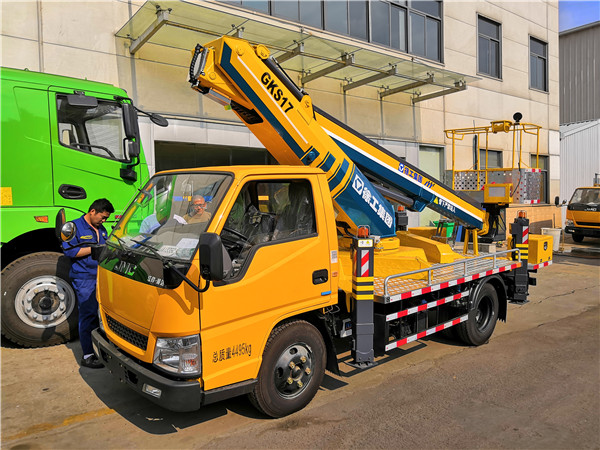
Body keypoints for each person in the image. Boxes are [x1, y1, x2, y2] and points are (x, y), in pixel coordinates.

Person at [62, 198, 114, 369]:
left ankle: (101, 348)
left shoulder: (102, 229)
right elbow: (70, 251)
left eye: (106, 218)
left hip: (100, 277)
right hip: (84, 278)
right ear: (93, 211)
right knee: (88, 314)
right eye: (102, 217)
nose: (104, 220)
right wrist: (94, 250)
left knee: (101, 314)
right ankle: (87, 355)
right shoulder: (73, 227)